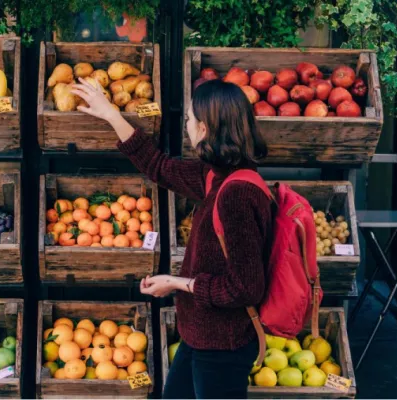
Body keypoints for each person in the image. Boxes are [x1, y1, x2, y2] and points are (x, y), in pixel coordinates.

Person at [71, 78, 273, 399]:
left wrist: (179, 284)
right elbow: (158, 166)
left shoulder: (237, 194)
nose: (187, 126)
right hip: (200, 335)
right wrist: (112, 115)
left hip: (223, 344)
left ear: (204, 129)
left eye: (190, 120)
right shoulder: (215, 176)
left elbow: (246, 287)